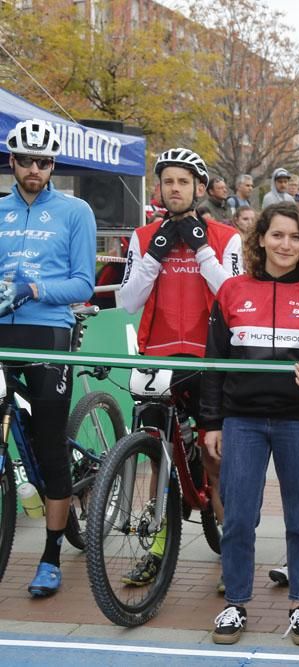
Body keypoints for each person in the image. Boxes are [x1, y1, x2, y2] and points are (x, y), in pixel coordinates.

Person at [201, 202, 299, 645]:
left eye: (295, 237)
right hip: (241, 421)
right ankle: (235, 604)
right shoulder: (230, 291)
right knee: (240, 517)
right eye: (277, 235)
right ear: (260, 238)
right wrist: (211, 422)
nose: (286, 244)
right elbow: (214, 364)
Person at [118, 148, 242, 586]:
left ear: (200, 189)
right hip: (158, 357)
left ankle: (232, 551)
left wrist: (202, 247)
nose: (174, 189)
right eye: (168, 181)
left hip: (208, 359)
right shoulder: (143, 234)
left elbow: (233, 298)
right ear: (159, 187)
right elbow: (128, 301)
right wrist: (156, 252)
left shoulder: (227, 236)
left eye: (183, 182)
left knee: (213, 456)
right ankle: (156, 546)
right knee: (158, 457)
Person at [0, 119, 96, 597]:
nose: (35, 169)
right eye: (26, 161)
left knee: (48, 442)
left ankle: (51, 553)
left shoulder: (75, 211)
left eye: (44, 162)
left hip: (47, 330)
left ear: (53, 165)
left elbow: (83, 283)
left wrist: (33, 288)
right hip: (1, 326)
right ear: (12, 162)